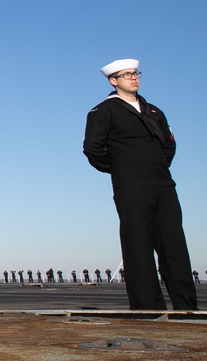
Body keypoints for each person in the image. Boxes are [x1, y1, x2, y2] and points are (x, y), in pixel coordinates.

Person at [83, 59, 197, 311]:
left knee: (174, 245)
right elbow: (92, 149)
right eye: (126, 75)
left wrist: (157, 166)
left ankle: (187, 306)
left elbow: (169, 145)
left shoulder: (154, 111)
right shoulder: (103, 111)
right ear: (113, 81)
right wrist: (122, 168)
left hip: (163, 185)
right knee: (138, 246)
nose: (134, 78)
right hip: (131, 186)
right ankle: (147, 307)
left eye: (135, 74)